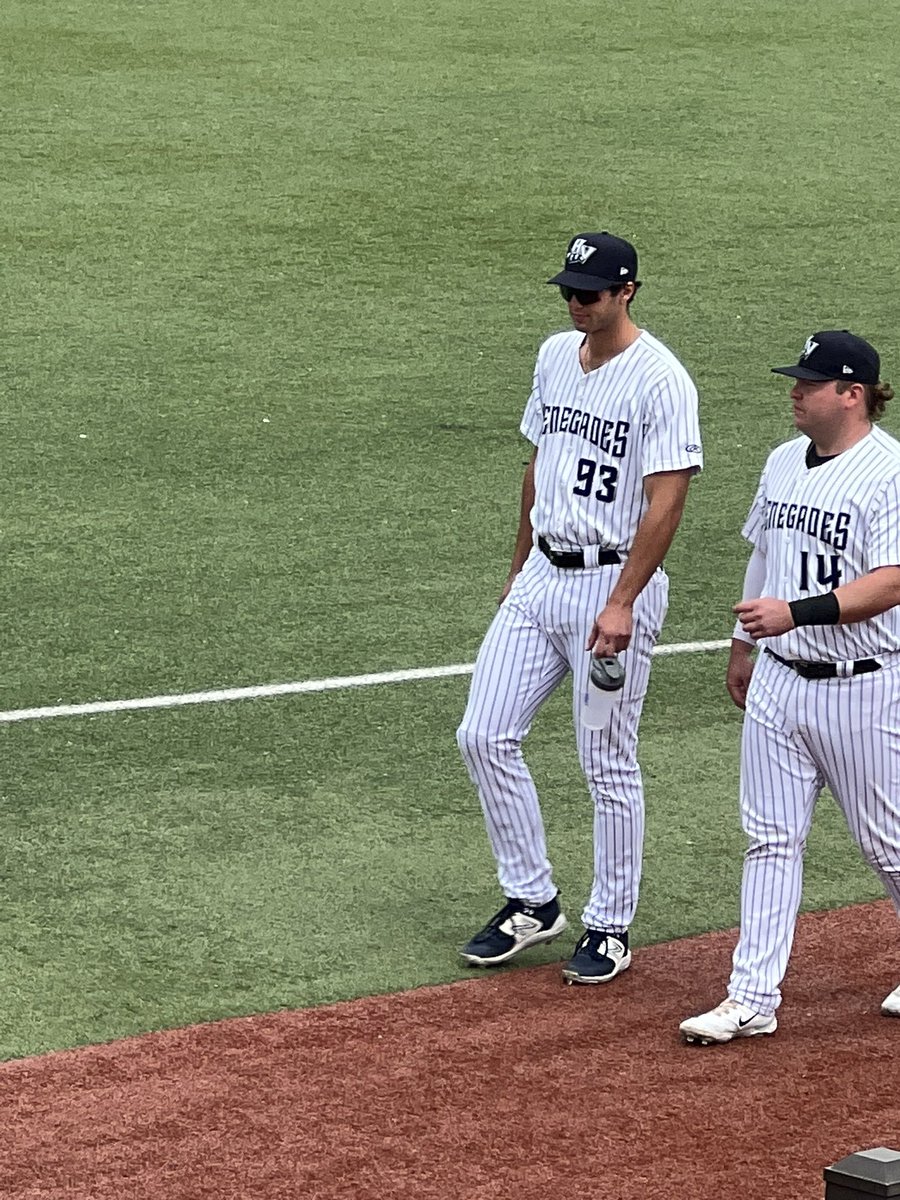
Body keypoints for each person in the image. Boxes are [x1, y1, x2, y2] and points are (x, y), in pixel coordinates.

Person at [456, 230, 703, 983]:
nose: (576, 303)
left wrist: (624, 600)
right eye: (569, 290)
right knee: (482, 735)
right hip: (541, 577)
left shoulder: (662, 380)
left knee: (606, 760)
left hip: (610, 584)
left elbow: (668, 499)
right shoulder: (553, 355)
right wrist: (517, 564)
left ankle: (610, 924)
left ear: (626, 291)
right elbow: (540, 463)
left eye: (589, 293)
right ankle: (533, 900)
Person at [679, 329, 900, 1044]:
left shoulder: (890, 473)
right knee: (770, 839)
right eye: (796, 380)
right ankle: (751, 996)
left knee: (886, 843)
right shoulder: (781, 462)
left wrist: (793, 613)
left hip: (861, 686)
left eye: (811, 382)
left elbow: (892, 581)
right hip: (778, 683)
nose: (795, 390)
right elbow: (765, 555)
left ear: (853, 393)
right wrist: (744, 643)